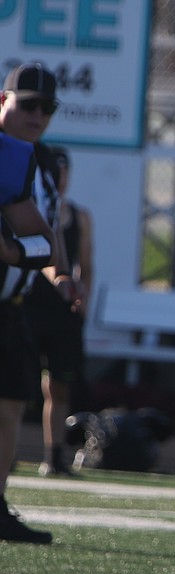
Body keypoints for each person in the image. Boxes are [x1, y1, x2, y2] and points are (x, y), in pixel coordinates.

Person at [0, 64, 69, 544]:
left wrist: (54, 270)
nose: (37, 115)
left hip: (10, 302)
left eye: (46, 108)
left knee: (9, 404)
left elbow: (40, 236)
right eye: (27, 104)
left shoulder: (27, 161)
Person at [24, 145, 92, 476]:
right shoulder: (22, 209)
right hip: (28, 304)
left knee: (58, 385)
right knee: (17, 384)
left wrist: (81, 300)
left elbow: (85, 264)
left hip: (61, 310)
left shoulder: (77, 216)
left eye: (63, 173)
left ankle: (54, 455)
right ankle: (9, 455)